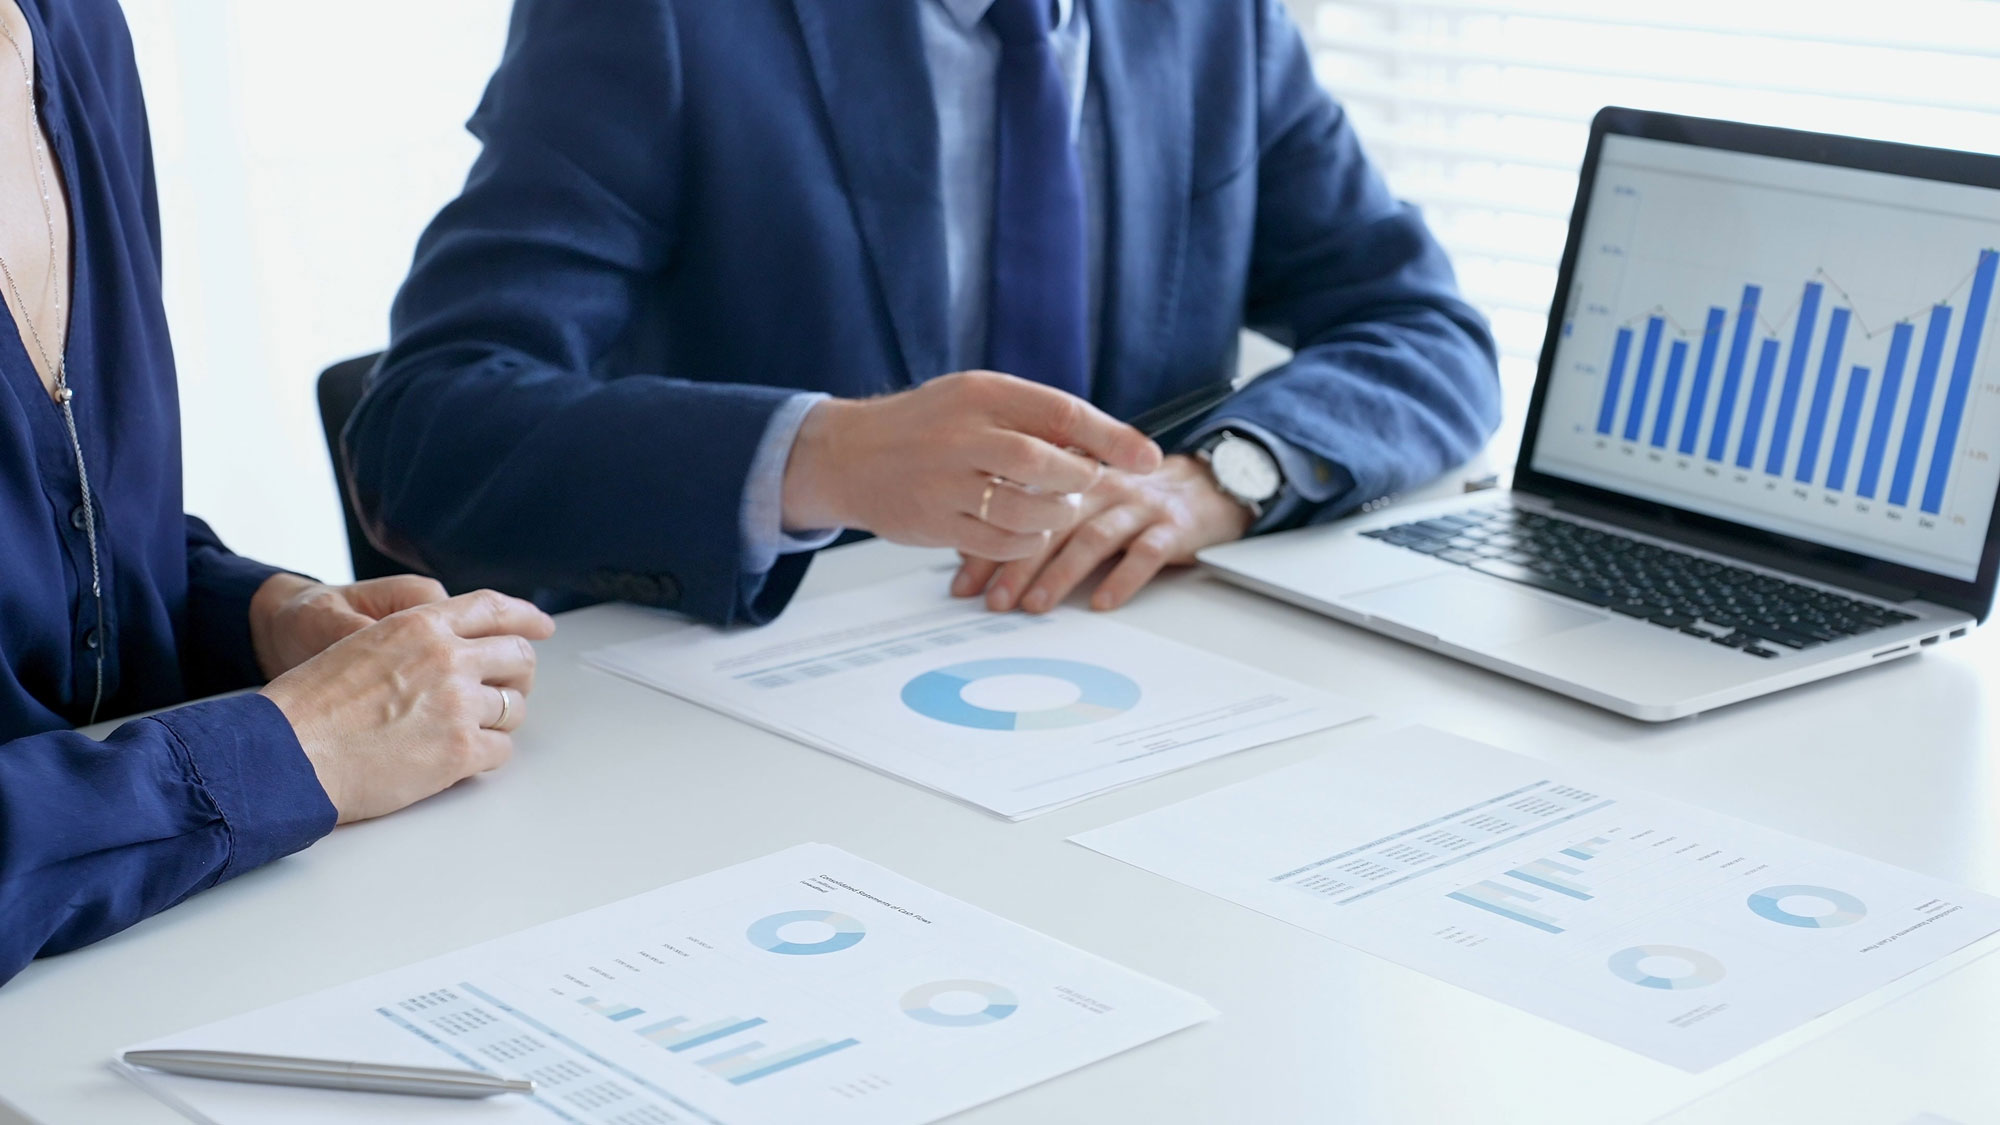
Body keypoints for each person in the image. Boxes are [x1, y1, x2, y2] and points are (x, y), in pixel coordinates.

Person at [347, 0, 1501, 628]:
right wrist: (822, 455)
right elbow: (426, 431)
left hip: (1119, 672)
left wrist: (1219, 480)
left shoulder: (1221, 25)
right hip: (758, 729)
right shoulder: (659, 21)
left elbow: (1424, 327)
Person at [0, 0, 557, 986]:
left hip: (156, 958)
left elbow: (60, 525)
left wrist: (262, 618)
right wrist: (291, 748)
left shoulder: (73, 27)